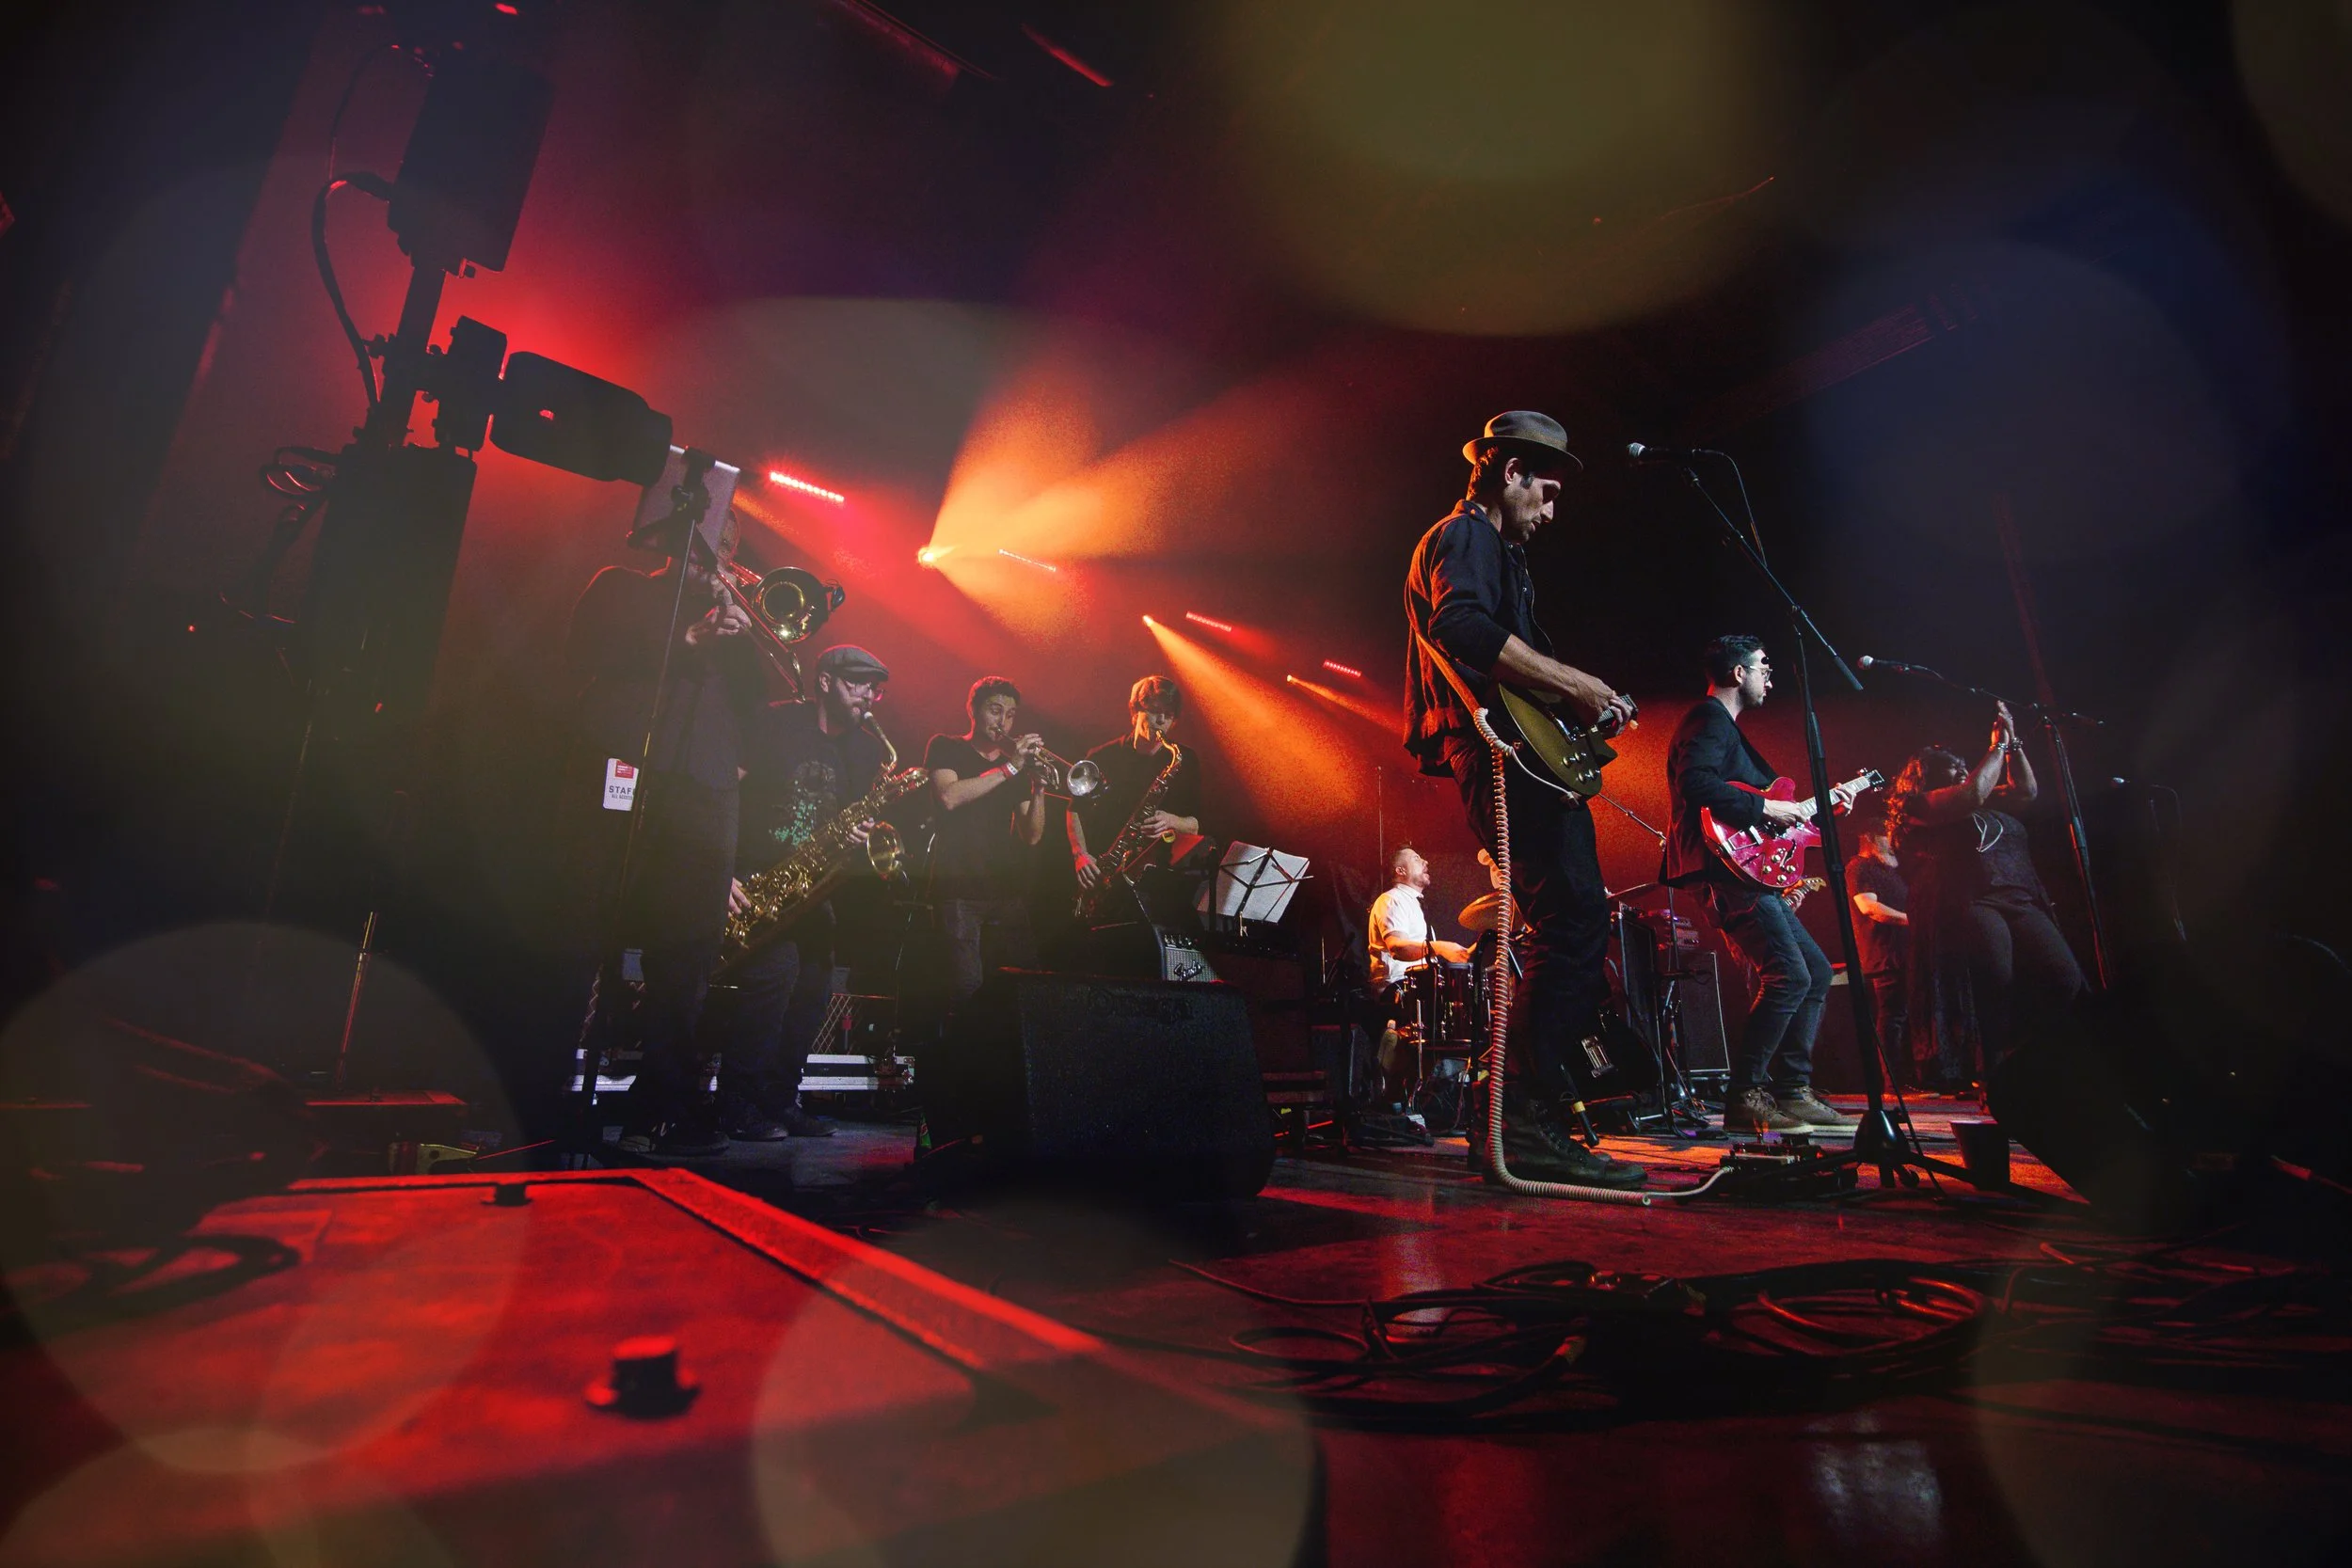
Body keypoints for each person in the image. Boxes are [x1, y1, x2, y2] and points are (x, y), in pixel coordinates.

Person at [1403, 410, 1645, 1190]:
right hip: (1493, 749)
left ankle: (1522, 1112)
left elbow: (1517, 663)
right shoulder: (1466, 534)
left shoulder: (1500, 550)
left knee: (1569, 919)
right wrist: (1577, 682)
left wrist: (1581, 707)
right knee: (1571, 917)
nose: (1552, 508)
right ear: (1510, 473)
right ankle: (1523, 1118)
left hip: (1516, 748)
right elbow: (1461, 624)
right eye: (1547, 487)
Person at [563, 522, 763, 1158]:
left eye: (734, 533)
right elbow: (583, 655)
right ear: (683, 531)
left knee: (690, 954)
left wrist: (741, 629)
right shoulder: (622, 587)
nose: (726, 542)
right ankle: (545, 1094)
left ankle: (663, 1108)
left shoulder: (737, 617)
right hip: (626, 770)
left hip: (705, 790)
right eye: (715, 529)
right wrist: (688, 635)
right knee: (585, 928)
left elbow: (758, 698)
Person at [1661, 635, 1856, 1137]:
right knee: (1788, 976)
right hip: (1725, 871)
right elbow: (1696, 784)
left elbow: (1760, 815)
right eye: (1762, 665)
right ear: (1736, 674)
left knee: (1811, 971)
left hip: (1748, 870)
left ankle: (1793, 1090)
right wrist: (1768, 808)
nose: (1771, 676)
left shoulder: (1724, 728)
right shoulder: (1707, 718)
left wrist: (1817, 812)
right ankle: (1746, 1094)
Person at [708, 643, 894, 1140]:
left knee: (813, 990)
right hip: (753, 880)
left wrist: (861, 835)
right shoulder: (773, 723)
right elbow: (724, 789)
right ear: (826, 682)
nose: (868, 695)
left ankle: (777, 1098)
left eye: (873, 686)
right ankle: (736, 1102)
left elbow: (852, 818)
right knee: (776, 973)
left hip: (812, 891)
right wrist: (719, 870)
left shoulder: (868, 750)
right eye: (857, 682)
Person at [1886, 703, 2088, 1090]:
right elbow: (1971, 793)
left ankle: (2038, 1059)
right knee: (1995, 981)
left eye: (1963, 763)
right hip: (1970, 898)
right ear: (1924, 775)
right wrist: (1995, 748)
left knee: (2063, 976)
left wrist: (2012, 746)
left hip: (2018, 895)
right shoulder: (1921, 805)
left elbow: (2027, 791)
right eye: (1951, 764)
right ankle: (1994, 1076)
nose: (1961, 768)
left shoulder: (1987, 799)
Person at [925, 676, 1047, 1007]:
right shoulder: (946, 747)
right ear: (973, 710)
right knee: (968, 989)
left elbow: (1032, 835)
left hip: (1004, 890)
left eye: (1010, 715)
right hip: (958, 889)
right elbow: (950, 796)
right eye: (995, 711)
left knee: (1027, 986)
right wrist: (1011, 767)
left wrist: (1038, 789)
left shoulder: (1015, 769)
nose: (1003, 722)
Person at [1068, 675, 1202, 918]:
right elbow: (1074, 809)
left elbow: (1197, 825)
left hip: (1156, 880)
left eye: (1168, 714)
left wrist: (1173, 821)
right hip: (1104, 872)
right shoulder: (1103, 756)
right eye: (1154, 711)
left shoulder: (1185, 760)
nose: (1161, 720)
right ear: (1135, 713)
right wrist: (1080, 855)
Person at [1848, 820, 1912, 1089]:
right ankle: (1894, 1083)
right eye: (1887, 833)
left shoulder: (1890, 868)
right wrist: (1914, 920)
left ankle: (1912, 1078)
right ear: (1870, 837)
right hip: (1884, 953)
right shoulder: (1859, 867)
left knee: (1905, 1015)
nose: (1892, 839)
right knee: (1893, 1016)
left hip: (1906, 950)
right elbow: (1869, 908)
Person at [1366, 845, 1470, 995]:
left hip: (1416, 987)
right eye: (1416, 859)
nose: (1425, 861)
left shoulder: (1416, 903)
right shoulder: (1392, 899)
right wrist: (1441, 948)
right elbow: (1397, 948)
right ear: (1401, 870)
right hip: (1396, 992)